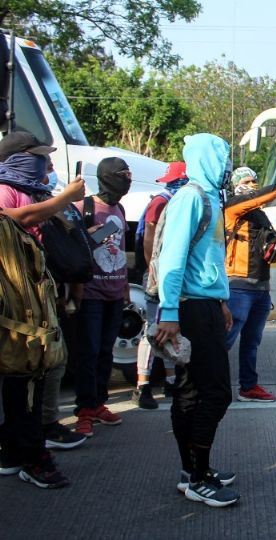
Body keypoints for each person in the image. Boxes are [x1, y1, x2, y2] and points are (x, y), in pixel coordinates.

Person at [154, 133, 239, 507]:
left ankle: (192, 472)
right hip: (189, 309)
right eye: (223, 158)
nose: (228, 167)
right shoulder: (190, 197)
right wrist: (169, 313)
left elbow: (208, 261)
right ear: (208, 159)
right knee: (216, 393)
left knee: (189, 392)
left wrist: (220, 300)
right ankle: (200, 477)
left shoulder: (209, 199)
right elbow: (172, 258)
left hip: (204, 305)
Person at [0, 133, 85, 488]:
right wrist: (64, 198)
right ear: (18, 158)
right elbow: (14, 218)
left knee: (27, 380)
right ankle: (34, 458)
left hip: (35, 302)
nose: (48, 166)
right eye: (40, 158)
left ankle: (16, 450)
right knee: (26, 381)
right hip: (16, 307)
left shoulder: (35, 190)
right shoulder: (6, 190)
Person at [224, 167, 276, 402]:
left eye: (255, 180)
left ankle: (248, 387)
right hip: (238, 286)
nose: (252, 185)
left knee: (252, 342)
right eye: (248, 181)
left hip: (261, 288)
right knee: (225, 340)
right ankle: (210, 386)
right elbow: (255, 197)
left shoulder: (258, 214)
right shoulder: (234, 207)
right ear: (237, 184)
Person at [69, 157, 132, 437]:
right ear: (107, 176)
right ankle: (84, 409)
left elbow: (121, 248)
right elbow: (70, 245)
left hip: (115, 292)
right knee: (88, 352)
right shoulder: (83, 207)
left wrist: (126, 286)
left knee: (106, 351)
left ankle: (99, 404)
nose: (128, 179)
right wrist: (89, 234)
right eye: (122, 174)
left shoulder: (119, 208)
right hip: (91, 293)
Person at [130, 161, 190, 409]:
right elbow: (149, 238)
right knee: (152, 330)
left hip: (168, 276)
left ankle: (170, 381)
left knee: (168, 331)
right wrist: (155, 271)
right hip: (159, 276)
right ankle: (142, 386)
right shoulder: (163, 201)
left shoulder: (172, 199)